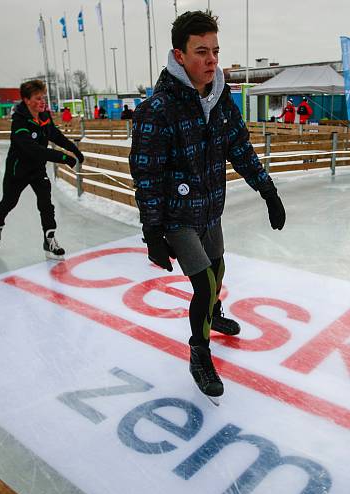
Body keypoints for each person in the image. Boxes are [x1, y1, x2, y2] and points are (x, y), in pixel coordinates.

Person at [129, 10, 286, 402]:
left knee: (218, 268)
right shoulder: (158, 110)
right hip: (178, 217)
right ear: (179, 56)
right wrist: (152, 232)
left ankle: (213, 316)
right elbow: (146, 175)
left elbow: (240, 147)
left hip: (210, 209)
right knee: (204, 283)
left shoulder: (220, 98)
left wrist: (268, 191)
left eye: (215, 50)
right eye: (201, 51)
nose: (212, 60)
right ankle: (200, 353)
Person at [0, 80, 84, 260]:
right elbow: (32, 149)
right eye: (38, 98)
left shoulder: (44, 116)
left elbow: (55, 135)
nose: (42, 101)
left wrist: (73, 149)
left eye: (43, 97)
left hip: (38, 170)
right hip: (18, 171)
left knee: (46, 204)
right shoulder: (19, 121)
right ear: (26, 100)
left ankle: (49, 240)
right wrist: (62, 157)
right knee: (9, 202)